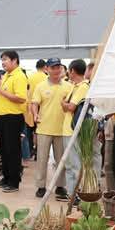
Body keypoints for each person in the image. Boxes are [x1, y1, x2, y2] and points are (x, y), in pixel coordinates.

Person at [30, 58, 71, 200]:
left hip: (62, 129)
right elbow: (34, 103)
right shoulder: (40, 86)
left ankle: (60, 186)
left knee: (61, 160)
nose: (56, 70)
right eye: (53, 67)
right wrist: (35, 114)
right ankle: (41, 186)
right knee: (42, 159)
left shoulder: (68, 86)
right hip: (44, 128)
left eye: (58, 67)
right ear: (47, 69)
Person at [0, 50, 28, 193]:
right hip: (2, 117)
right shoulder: (6, 75)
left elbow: (21, 98)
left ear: (14, 60)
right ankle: (6, 177)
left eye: (5, 59)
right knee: (3, 149)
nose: (3, 63)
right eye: (2, 60)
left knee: (13, 150)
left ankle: (14, 181)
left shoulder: (19, 76)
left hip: (13, 117)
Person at [61, 59, 90, 199]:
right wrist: (65, 104)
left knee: (75, 164)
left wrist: (63, 103)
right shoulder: (74, 86)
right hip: (68, 129)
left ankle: (77, 194)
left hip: (74, 130)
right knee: (69, 164)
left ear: (72, 71)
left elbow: (70, 107)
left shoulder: (83, 87)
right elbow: (67, 106)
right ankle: (71, 192)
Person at [26, 59, 48, 158]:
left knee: (29, 130)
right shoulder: (46, 78)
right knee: (40, 131)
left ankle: (30, 150)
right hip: (42, 107)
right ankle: (39, 152)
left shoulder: (30, 77)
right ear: (45, 67)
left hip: (29, 107)